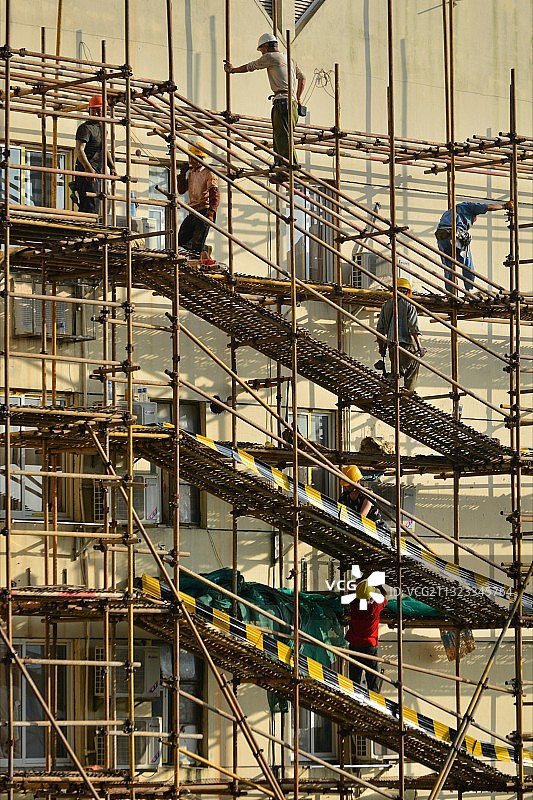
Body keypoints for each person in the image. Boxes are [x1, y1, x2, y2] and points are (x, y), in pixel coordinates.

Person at [224, 34, 306, 178]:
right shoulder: (289, 59)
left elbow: (251, 66)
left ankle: (289, 168)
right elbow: (302, 78)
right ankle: (282, 168)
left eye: (261, 49)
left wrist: (232, 70)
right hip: (291, 103)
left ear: (266, 46)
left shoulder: (271, 57)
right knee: (280, 136)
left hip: (282, 102)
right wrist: (298, 98)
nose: (261, 53)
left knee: (283, 136)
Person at [435, 199, 512, 291]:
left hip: (442, 237)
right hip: (455, 235)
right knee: (467, 265)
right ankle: (469, 291)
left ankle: (451, 293)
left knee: (448, 268)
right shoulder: (470, 206)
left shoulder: (451, 211)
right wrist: (504, 206)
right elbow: (488, 207)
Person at [376, 277, 425, 392]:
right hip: (405, 343)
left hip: (391, 345)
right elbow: (413, 328)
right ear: (408, 292)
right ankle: (409, 392)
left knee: (397, 369)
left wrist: (381, 347)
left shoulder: (386, 305)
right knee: (413, 365)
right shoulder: (409, 305)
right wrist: (419, 347)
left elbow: (380, 329)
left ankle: (392, 385)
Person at [73, 95, 116, 214]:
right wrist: (88, 168)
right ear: (90, 110)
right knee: (89, 205)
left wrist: (111, 166)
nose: (97, 113)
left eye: (100, 110)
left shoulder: (103, 128)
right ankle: (86, 228)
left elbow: (104, 148)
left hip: (99, 171)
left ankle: (98, 225)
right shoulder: (85, 128)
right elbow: (79, 150)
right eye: (95, 110)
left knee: (102, 202)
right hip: (87, 172)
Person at [177, 143, 220, 260]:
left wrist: (211, 212)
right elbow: (181, 190)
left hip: (204, 210)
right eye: (190, 158)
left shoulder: (209, 172)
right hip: (193, 210)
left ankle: (201, 255)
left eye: (194, 158)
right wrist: (182, 174)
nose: (191, 161)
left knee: (197, 242)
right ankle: (202, 252)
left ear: (201, 158)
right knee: (182, 239)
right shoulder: (192, 173)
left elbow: (214, 192)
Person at [346, 581, 387, 692]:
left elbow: (350, 590)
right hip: (370, 646)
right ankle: (374, 700)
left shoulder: (354, 605)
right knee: (372, 679)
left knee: (354, 679)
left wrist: (361, 581)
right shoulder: (375, 608)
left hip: (355, 646)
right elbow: (385, 597)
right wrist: (380, 587)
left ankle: (354, 698)